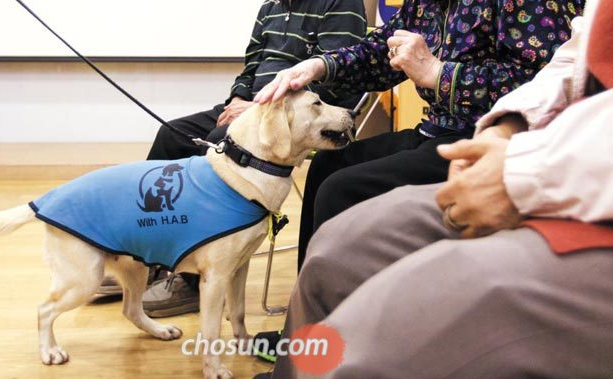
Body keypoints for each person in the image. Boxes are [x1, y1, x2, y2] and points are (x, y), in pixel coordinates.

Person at [259, 0, 613, 376]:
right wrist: (321, 65)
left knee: (343, 189)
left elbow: (535, 73)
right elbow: (383, 51)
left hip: (478, 137)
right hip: (464, 132)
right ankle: (305, 343)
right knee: (328, 168)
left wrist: (439, 73)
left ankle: (341, 340)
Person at [97, 0, 368, 317]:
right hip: (254, 109)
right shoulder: (271, 7)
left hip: (294, 119)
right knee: (171, 135)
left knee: (216, 145)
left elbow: (336, 78)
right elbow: (252, 66)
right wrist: (241, 97)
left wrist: (258, 106)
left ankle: (192, 280)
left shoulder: (340, 3)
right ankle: (151, 259)